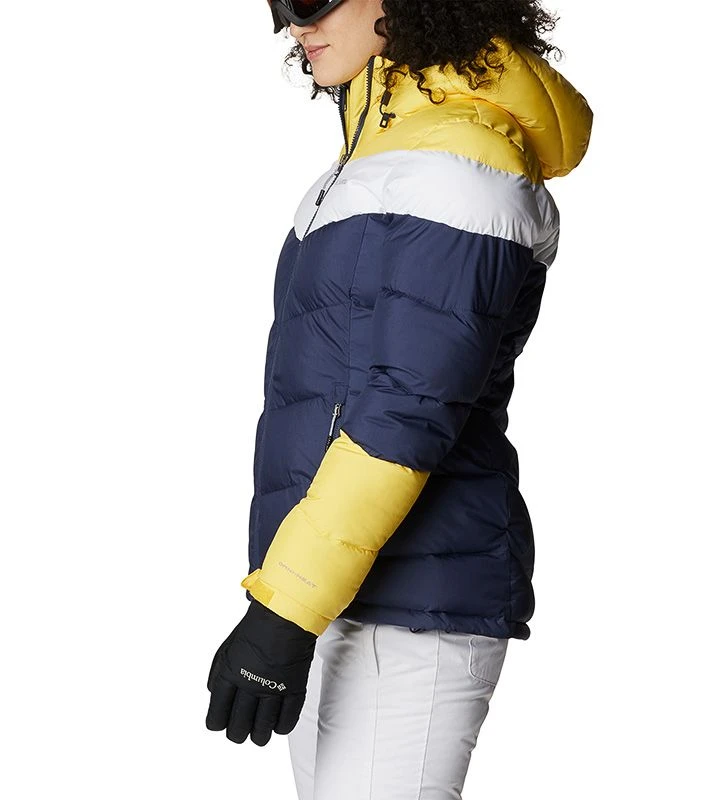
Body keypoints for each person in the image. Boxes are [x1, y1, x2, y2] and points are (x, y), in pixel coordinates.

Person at [206, 0, 593, 796]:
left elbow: (405, 413)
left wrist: (283, 611)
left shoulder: (461, 166)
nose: (291, 24)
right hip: (335, 593)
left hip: (414, 602)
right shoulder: (362, 169)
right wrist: (292, 597)